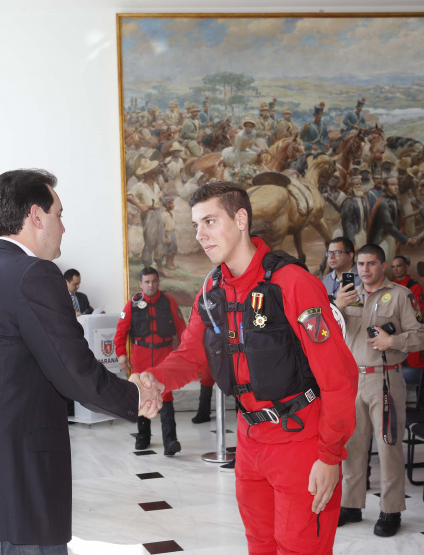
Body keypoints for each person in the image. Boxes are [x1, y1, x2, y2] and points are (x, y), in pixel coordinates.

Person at [0, 169, 165, 554]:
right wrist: (136, 396)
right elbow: (73, 370)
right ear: (35, 216)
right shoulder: (32, 274)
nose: (63, 226)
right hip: (15, 493)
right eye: (58, 214)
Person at [147, 181, 358, 553]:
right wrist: (153, 380)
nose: (199, 235)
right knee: (259, 544)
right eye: (196, 225)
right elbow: (191, 355)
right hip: (249, 441)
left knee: (300, 547)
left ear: (241, 219)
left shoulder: (293, 283)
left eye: (210, 221)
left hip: (301, 442)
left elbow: (338, 378)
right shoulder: (212, 290)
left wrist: (329, 456)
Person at [336, 245, 424, 537]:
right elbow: (327, 332)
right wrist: (336, 305)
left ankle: (390, 510)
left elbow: (420, 336)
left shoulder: (400, 295)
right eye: (361, 264)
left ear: (383, 265)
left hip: (385, 379)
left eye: (371, 263)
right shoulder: (349, 295)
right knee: (352, 446)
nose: (365, 269)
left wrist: (393, 341)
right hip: (353, 380)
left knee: (388, 446)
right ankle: (351, 504)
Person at [115, 267, 188, 454]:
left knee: (166, 395)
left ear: (158, 282)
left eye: (154, 281)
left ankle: (170, 441)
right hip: (141, 356)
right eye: (147, 282)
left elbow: (182, 330)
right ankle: (143, 437)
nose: (151, 285)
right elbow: (121, 331)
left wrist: (185, 355)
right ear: (140, 284)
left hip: (165, 355)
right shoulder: (132, 304)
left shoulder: (169, 302)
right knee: (141, 395)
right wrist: (121, 353)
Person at [390, 255, 424, 371]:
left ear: (406, 267)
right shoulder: (388, 287)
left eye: (399, 266)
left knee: (416, 365)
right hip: (393, 333)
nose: (395, 269)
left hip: (411, 333)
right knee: (395, 366)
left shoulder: (414, 287)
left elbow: (416, 313)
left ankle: (421, 384)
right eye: (393, 267)